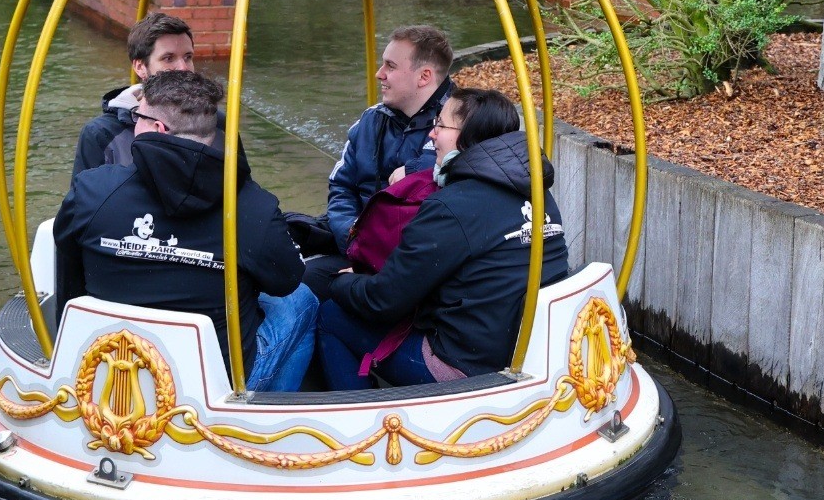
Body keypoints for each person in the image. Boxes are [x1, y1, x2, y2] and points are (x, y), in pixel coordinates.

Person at [53, 71, 307, 382]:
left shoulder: (91, 191)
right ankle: (262, 406)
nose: (133, 124)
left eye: (137, 116)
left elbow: (67, 260)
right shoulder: (253, 208)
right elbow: (287, 281)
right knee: (302, 301)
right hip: (213, 384)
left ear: (157, 128)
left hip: (107, 370)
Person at [316, 87, 569, 389]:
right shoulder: (537, 192)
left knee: (332, 315)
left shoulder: (452, 206)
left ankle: (361, 416)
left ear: (468, 136)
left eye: (441, 125)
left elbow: (382, 301)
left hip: (465, 367)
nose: (432, 134)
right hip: (530, 350)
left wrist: (341, 281)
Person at [304, 25, 453, 278]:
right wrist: (351, 234)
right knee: (291, 274)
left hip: (416, 264)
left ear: (424, 76)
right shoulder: (371, 120)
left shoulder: (462, 124)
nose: (379, 74)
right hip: (357, 246)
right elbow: (341, 186)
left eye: (390, 66)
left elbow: (460, 178)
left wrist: (416, 169)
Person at [73, 12, 196, 176]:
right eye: (168, 58)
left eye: (188, 57)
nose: (184, 68)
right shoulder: (101, 134)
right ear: (140, 67)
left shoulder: (216, 123)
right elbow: (84, 192)